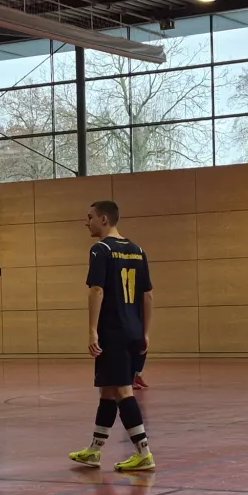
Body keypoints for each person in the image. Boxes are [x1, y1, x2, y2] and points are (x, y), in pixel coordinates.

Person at [70, 200, 155, 473]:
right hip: (133, 330)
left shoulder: (101, 249)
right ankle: (94, 451)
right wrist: (145, 332)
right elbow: (148, 295)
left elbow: (97, 290)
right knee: (107, 390)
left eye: (90, 217)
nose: (87, 222)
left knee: (122, 391)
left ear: (104, 219)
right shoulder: (137, 250)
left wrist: (92, 330)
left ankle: (143, 453)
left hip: (113, 331)